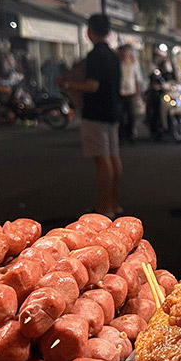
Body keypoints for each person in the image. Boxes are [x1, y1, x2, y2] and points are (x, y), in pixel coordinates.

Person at [58, 14, 123, 216]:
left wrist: (68, 84)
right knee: (113, 157)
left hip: (95, 112)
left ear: (90, 30)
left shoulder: (95, 55)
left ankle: (105, 208)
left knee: (102, 160)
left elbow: (92, 85)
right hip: (113, 111)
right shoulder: (113, 56)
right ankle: (114, 203)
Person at [118, 45, 144, 143]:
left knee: (131, 115)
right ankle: (121, 135)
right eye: (124, 51)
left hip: (131, 92)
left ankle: (130, 135)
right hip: (120, 92)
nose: (125, 53)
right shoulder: (118, 63)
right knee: (120, 115)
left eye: (127, 51)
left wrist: (138, 93)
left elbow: (137, 79)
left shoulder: (134, 64)